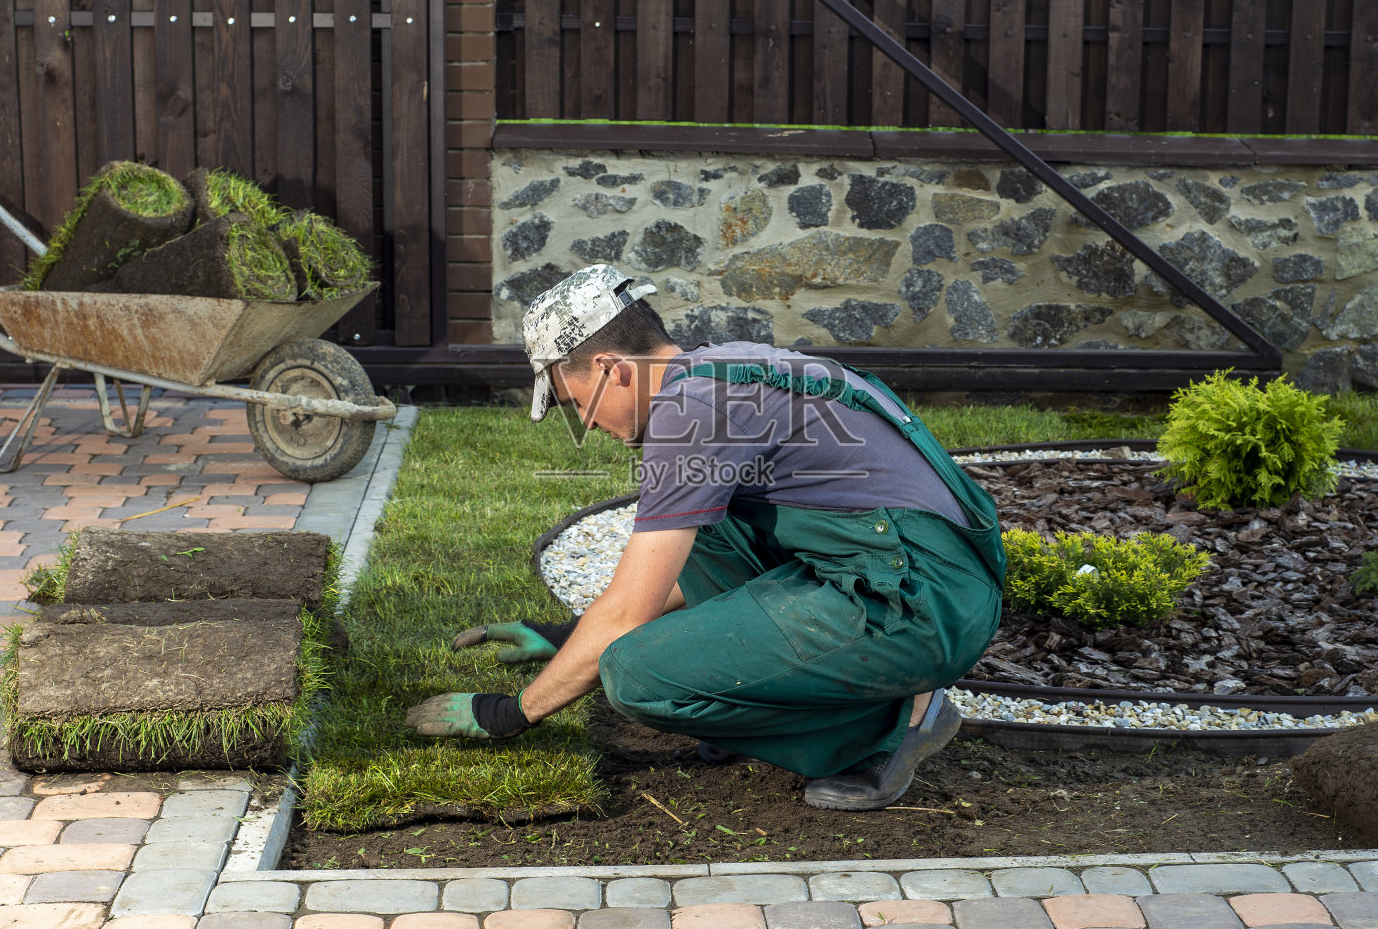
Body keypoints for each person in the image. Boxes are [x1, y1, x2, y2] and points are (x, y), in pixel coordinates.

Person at [406, 264, 1005, 810]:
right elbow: (668, 577)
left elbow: (624, 620)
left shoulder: (693, 415)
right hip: (908, 573)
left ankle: (896, 722)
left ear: (612, 370)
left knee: (636, 676)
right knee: (704, 532)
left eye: (575, 403)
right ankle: (800, 700)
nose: (584, 423)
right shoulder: (715, 369)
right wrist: (564, 637)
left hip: (920, 604)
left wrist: (509, 713)